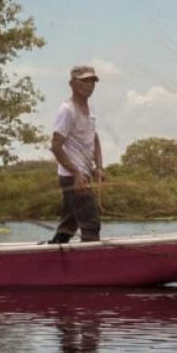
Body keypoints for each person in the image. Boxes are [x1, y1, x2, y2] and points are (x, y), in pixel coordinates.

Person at [49, 64, 104, 244]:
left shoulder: (91, 109)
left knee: (68, 225)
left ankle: (54, 258)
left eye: (92, 81)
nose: (89, 85)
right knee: (91, 224)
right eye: (84, 81)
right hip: (72, 177)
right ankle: (92, 267)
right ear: (72, 83)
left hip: (83, 175)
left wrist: (99, 167)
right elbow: (56, 146)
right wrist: (77, 173)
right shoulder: (67, 110)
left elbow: (94, 138)